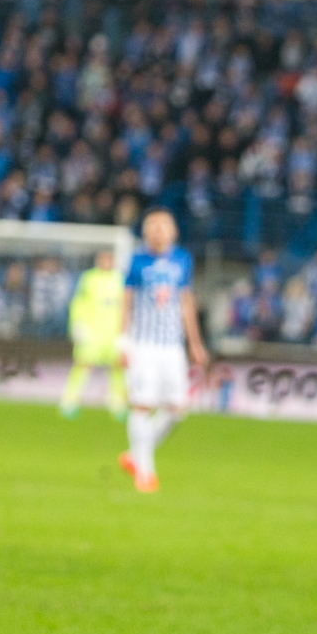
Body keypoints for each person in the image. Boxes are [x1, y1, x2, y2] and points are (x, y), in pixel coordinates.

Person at [117, 209, 208, 493]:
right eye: (152, 226)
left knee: (177, 409)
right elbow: (126, 301)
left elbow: (185, 302)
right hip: (143, 344)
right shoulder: (136, 261)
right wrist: (122, 340)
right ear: (145, 232)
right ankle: (145, 472)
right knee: (142, 404)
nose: (158, 230)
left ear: (173, 232)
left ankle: (134, 456)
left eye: (163, 225)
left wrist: (194, 343)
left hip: (172, 346)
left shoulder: (182, 260)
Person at [60, 249, 127, 419]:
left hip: (113, 332)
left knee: (118, 367)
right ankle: (70, 400)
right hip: (92, 331)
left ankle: (117, 403)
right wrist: (77, 324)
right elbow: (78, 302)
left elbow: (127, 306)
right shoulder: (88, 278)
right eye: (103, 259)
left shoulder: (120, 279)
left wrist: (126, 332)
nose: (106, 262)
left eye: (109, 259)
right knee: (83, 364)